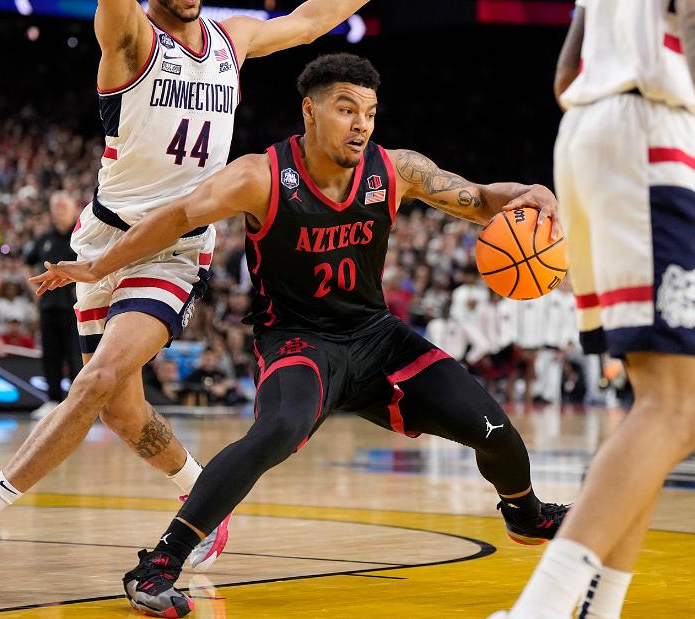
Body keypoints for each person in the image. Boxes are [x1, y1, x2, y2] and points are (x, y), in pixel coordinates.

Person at [32, 54, 572, 618]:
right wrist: (98, 266)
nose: (361, 123)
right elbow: (177, 216)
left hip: (375, 338)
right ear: (310, 111)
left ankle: (525, 513)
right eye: (346, 109)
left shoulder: (397, 170)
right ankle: (160, 564)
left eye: (369, 111)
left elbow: (481, 197)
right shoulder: (261, 175)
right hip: (296, 341)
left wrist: (527, 193)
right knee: (278, 430)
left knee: (497, 432)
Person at [0, 0, 372, 573]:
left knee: (98, 378)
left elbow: (309, 20)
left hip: (176, 250)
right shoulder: (131, 37)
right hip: (102, 240)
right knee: (123, 412)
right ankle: (205, 493)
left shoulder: (231, 39)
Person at [491, 0, 695, 617]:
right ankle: (541, 609)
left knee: (661, 404)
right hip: (658, 132)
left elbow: (567, 70)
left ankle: (600, 608)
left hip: (592, 133)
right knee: (684, 407)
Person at [23, 192, 82, 418]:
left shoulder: (79, 236)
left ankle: (77, 402)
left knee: (75, 354)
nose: (59, 212)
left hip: (73, 306)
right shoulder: (44, 239)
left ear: (72, 210)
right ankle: (53, 400)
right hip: (48, 306)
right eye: (56, 208)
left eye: (63, 208)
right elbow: (26, 264)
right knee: (50, 355)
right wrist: (33, 291)